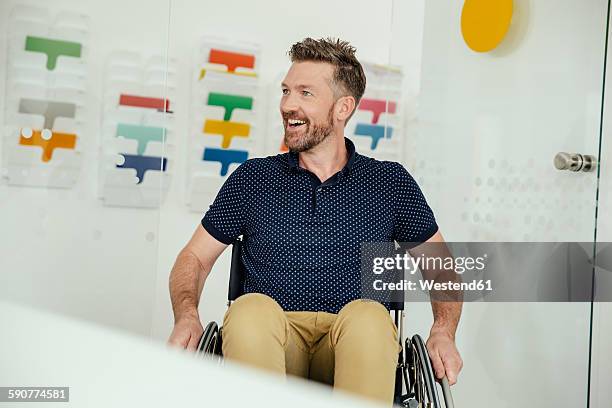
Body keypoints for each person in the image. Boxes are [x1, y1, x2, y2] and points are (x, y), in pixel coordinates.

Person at [168, 37, 463, 404]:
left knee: (370, 317)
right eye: (286, 91)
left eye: (305, 93)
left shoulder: (389, 182)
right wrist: (186, 315)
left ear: (343, 108)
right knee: (248, 310)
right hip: (273, 338)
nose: (288, 104)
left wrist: (443, 331)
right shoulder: (252, 178)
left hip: (353, 341)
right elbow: (194, 257)